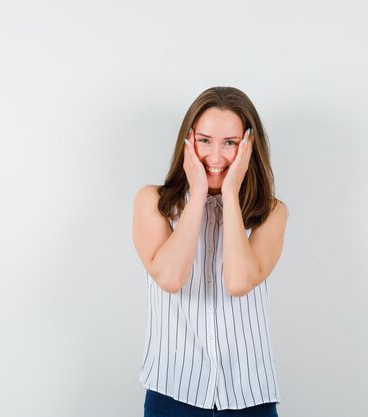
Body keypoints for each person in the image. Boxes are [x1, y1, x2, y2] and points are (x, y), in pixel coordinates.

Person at [132, 86, 288, 417]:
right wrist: (199, 191)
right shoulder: (152, 203)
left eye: (230, 143)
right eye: (204, 140)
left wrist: (230, 193)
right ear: (187, 141)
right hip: (172, 393)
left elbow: (238, 281)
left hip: (249, 396)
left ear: (248, 146)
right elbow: (171, 277)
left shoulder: (271, 213)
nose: (216, 157)